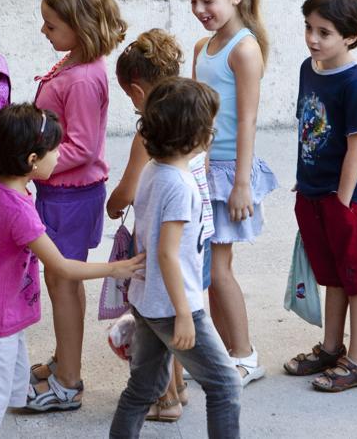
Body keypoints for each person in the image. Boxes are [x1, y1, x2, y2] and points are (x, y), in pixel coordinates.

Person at [0, 104, 145, 438]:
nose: (59, 156)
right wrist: (116, 268)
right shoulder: (18, 210)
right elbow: (62, 267)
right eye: (54, 150)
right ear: (31, 160)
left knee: (2, 399)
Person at [108, 77, 241, 439]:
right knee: (226, 387)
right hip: (173, 306)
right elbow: (167, 253)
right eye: (208, 125)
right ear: (195, 135)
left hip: (147, 300)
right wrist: (185, 314)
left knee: (143, 389)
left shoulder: (154, 170)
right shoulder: (180, 185)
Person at [28, 0, 127, 412]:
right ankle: (64, 358)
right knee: (60, 280)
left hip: (70, 197)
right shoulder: (73, 64)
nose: (44, 31)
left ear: (80, 27)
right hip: (61, 195)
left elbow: (82, 147)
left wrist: (31, 164)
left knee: (64, 283)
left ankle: (68, 380)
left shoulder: (84, 77)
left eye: (51, 25)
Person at [107, 29, 216, 421]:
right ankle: (180, 385)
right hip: (198, 235)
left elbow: (129, 189)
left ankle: (166, 397)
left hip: (168, 238)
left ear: (137, 91)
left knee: (167, 316)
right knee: (180, 313)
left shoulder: (152, 134)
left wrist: (112, 204)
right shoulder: (193, 116)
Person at [184, 0, 278, 387]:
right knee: (206, 269)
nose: (200, 10)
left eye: (208, 0)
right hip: (201, 169)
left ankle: (245, 354)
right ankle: (225, 351)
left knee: (219, 271)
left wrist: (242, 183)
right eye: (193, 1)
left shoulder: (244, 50)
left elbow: (248, 119)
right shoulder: (204, 47)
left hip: (227, 173)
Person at [284, 0, 357, 392]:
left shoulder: (355, 83)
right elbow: (309, 130)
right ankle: (331, 347)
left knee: (356, 277)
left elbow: (356, 149)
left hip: (345, 200)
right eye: (309, 27)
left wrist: (341, 204)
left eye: (324, 32)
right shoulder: (310, 68)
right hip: (311, 191)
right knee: (334, 276)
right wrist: (304, 183)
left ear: (351, 35)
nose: (312, 38)